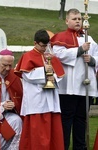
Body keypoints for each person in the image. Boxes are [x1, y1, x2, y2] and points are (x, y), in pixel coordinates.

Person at [51, 8, 98, 150]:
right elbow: (58, 55)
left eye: (79, 19)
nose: (78, 21)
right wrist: (79, 50)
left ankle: (80, 147)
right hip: (68, 88)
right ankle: (64, 146)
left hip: (85, 87)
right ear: (67, 21)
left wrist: (92, 61)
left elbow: (97, 56)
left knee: (81, 120)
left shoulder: (89, 39)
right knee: (66, 120)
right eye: (74, 18)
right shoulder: (61, 37)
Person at [14, 29, 65, 150]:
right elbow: (27, 75)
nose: (44, 48)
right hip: (36, 100)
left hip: (51, 99)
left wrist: (53, 74)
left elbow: (60, 75)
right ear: (35, 43)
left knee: (53, 131)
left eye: (47, 45)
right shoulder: (28, 56)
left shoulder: (50, 57)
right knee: (37, 133)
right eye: (42, 45)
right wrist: (44, 71)